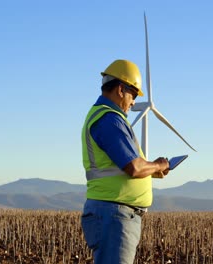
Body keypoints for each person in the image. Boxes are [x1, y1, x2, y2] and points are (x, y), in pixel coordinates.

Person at [80, 59, 170, 263]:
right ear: (121, 89)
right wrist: (158, 164)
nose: (134, 102)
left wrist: (152, 172)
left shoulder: (105, 117)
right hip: (113, 216)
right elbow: (133, 167)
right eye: (134, 94)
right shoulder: (109, 119)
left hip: (112, 214)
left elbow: (120, 167)